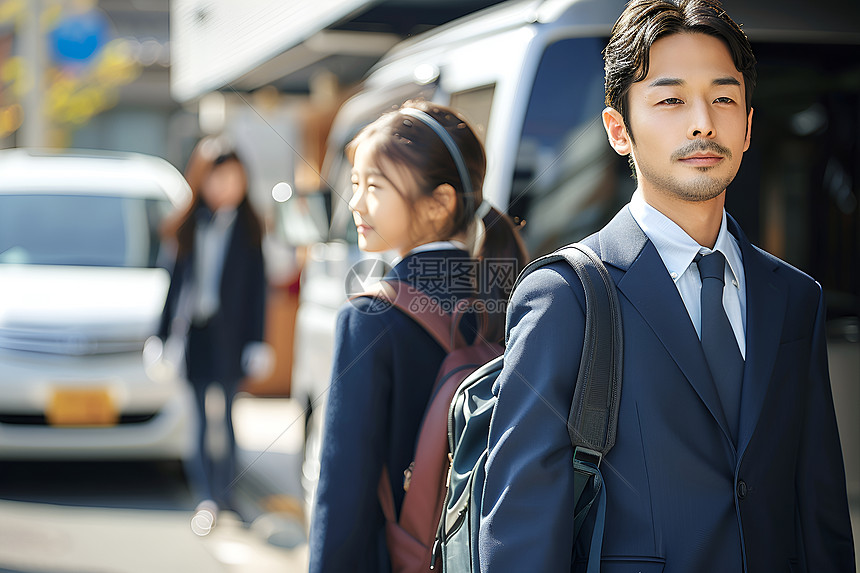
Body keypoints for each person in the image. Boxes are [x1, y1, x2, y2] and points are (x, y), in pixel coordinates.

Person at [479, 1, 855, 571]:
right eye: (671, 99)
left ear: (749, 126)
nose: (702, 121)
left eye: (724, 98)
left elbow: (819, 511)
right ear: (618, 129)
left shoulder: (795, 297)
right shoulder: (565, 297)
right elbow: (519, 531)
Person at [308, 100, 528, 571]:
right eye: (355, 185)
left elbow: (344, 492)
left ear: (440, 203)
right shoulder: (508, 301)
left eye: (375, 186)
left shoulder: (371, 317)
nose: (356, 204)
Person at [157, 136, 269, 527]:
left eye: (233, 179)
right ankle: (206, 498)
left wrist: (258, 340)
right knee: (200, 420)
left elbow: (259, 293)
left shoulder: (251, 229)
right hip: (196, 337)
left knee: (230, 418)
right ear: (201, 180)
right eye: (217, 179)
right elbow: (173, 286)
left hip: (233, 339)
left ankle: (229, 494)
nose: (224, 188)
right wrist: (161, 337)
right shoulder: (187, 226)